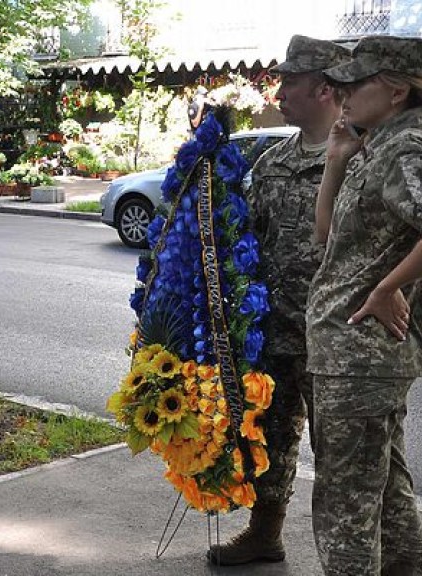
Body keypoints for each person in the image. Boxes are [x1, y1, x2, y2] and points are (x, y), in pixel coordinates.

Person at [208, 35, 350, 566]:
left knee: (343, 457)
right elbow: (252, 242)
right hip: (276, 332)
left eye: (290, 80)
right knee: (269, 439)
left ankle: (364, 555)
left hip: (338, 337)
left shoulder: (358, 156)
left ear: (324, 88)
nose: (280, 89)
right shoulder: (272, 162)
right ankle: (265, 534)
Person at [308, 35, 422, 575]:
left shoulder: (404, 148)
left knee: (345, 506)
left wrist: (385, 288)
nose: (341, 93)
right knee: (388, 492)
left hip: (359, 357)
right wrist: (336, 162)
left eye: (356, 82)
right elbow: (330, 237)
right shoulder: (376, 144)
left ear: (397, 89)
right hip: (353, 357)